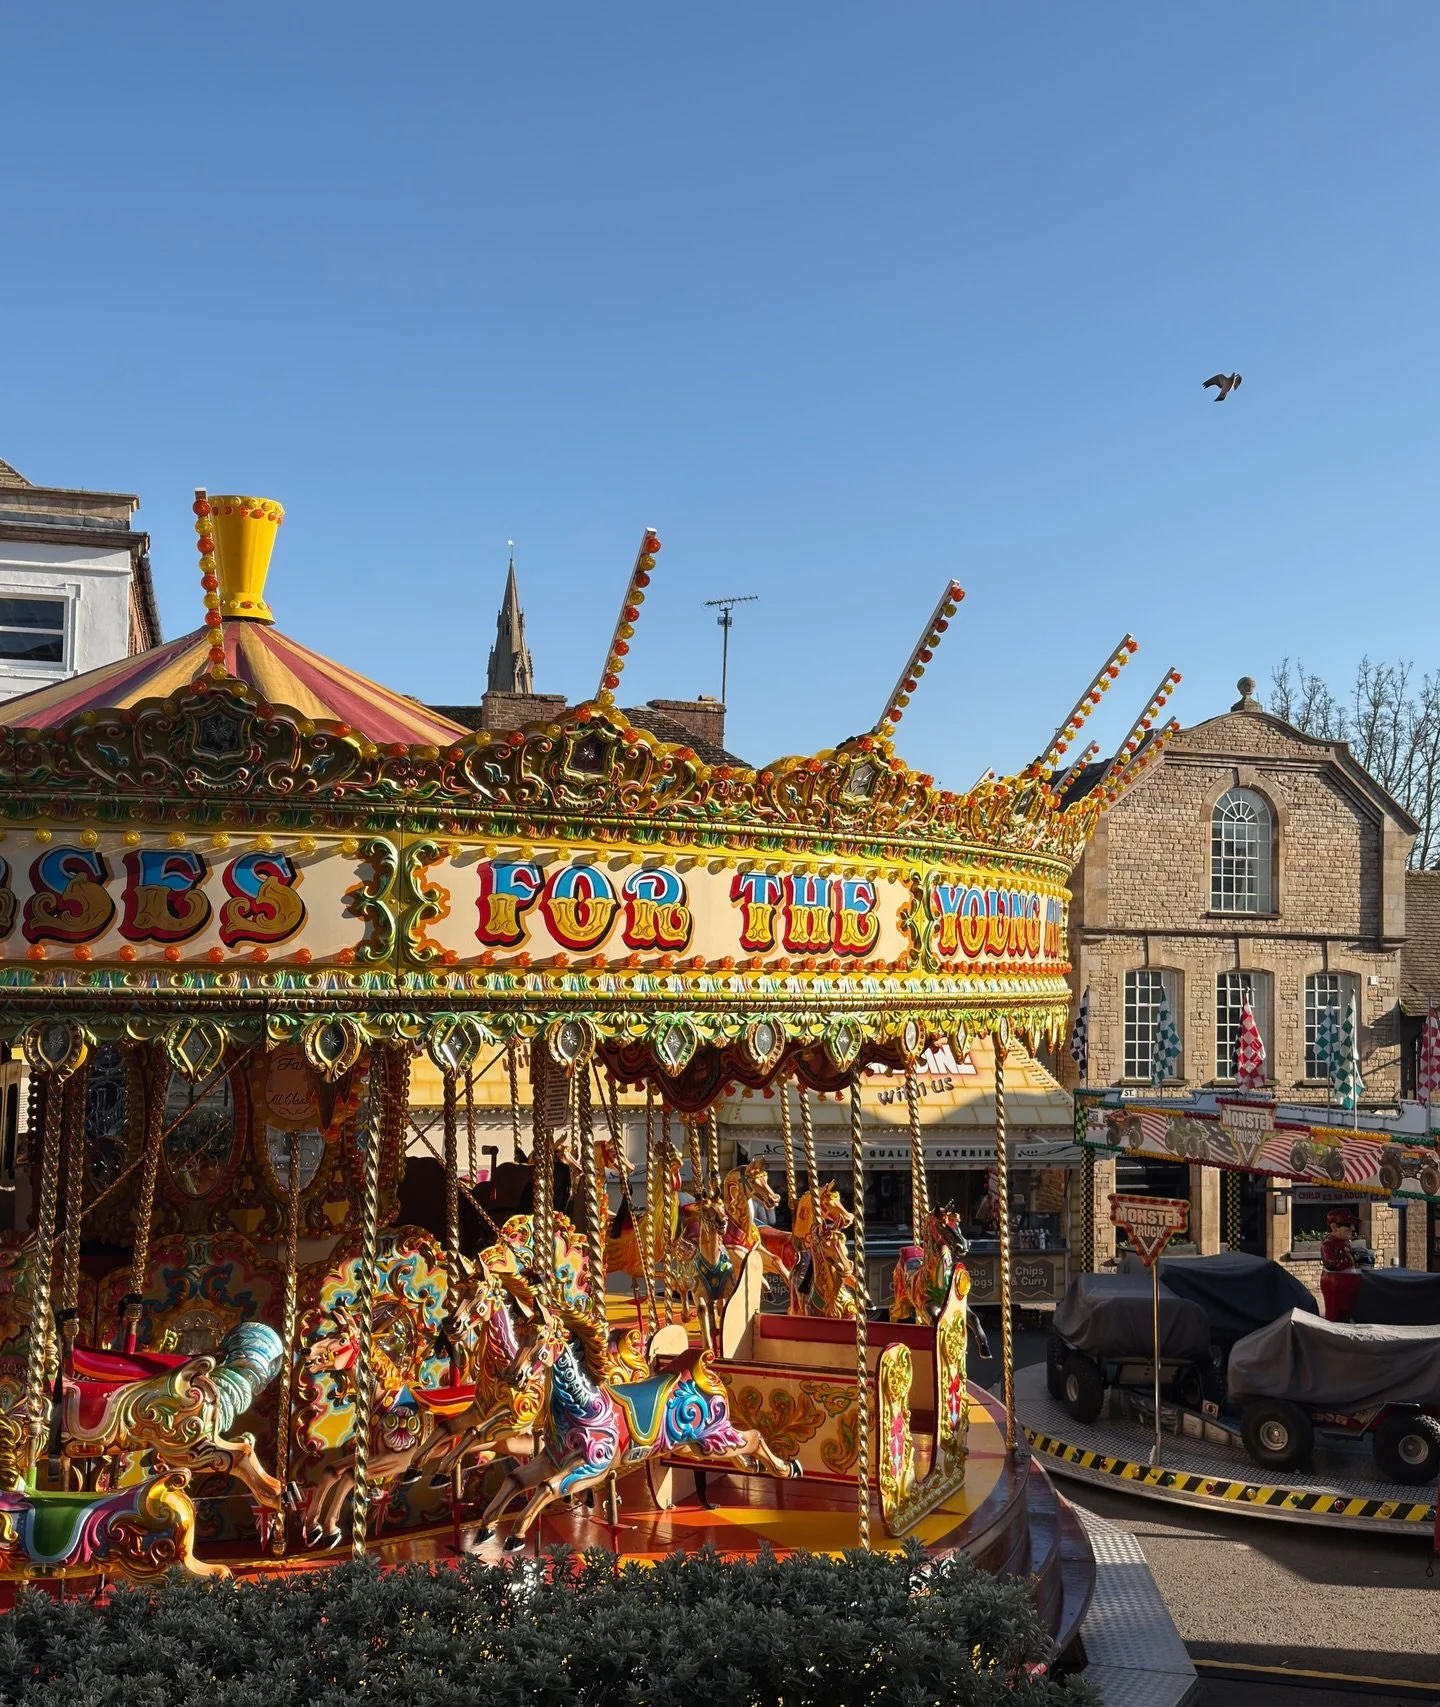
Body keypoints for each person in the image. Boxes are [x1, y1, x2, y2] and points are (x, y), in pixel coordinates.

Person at [1320, 1209, 1362, 1321]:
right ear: (1334, 1227)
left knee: (1347, 1315)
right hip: (1336, 1286)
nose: (1352, 1229)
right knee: (1335, 1316)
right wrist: (1349, 1259)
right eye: (1348, 1225)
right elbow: (1330, 1264)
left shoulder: (1346, 1243)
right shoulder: (1328, 1245)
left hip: (1348, 1288)